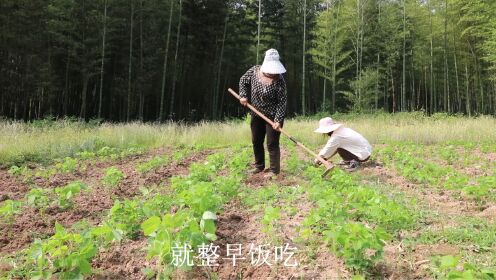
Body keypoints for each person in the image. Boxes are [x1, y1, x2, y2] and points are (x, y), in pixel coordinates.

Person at [239, 49, 287, 177]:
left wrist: (277, 120)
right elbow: (243, 81)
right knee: (256, 140)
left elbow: (282, 102)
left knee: (272, 143)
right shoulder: (254, 71)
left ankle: (274, 170)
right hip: (256, 113)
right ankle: (259, 166)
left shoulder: (280, 80)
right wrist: (243, 96)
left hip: (273, 115)